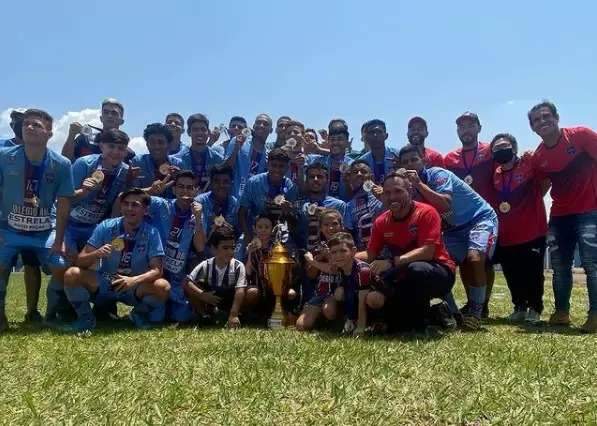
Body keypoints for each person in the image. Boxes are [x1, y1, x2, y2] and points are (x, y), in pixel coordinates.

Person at [398, 144, 497, 329]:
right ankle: (454, 313)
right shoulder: (407, 188)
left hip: (478, 218)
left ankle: (476, 314)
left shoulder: (438, 174)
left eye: (414, 159)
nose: (410, 164)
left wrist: (418, 183)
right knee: (437, 266)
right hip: (452, 229)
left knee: (475, 259)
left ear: (424, 160)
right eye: (405, 162)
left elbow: (445, 205)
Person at [46, 129, 134, 323]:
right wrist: (85, 191)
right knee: (61, 264)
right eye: (111, 146)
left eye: (121, 148)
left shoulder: (125, 170)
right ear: (101, 146)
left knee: (100, 266)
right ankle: (54, 313)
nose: (115, 152)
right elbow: (64, 198)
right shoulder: (83, 163)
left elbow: (119, 200)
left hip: (94, 226)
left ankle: (102, 311)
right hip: (69, 223)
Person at [0, 109, 75, 332]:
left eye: (36, 125)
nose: (30, 127)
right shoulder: (4, 157)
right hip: (8, 229)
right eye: (27, 124)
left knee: (61, 267)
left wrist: (59, 240)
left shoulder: (61, 164)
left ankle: (50, 315)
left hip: (43, 230)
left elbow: (63, 206)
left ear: (49, 133)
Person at [357, 171, 456, 332]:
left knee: (416, 269)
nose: (392, 197)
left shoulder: (427, 212)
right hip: (401, 273)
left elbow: (427, 252)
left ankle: (422, 321)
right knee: (379, 306)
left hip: (438, 271)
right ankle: (437, 313)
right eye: (387, 193)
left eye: (398, 191)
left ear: (409, 191)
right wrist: (344, 256)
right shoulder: (381, 221)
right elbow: (371, 254)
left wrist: (390, 262)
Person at [529, 100, 597, 333]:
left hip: (590, 211)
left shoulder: (581, 136)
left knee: (591, 264)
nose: (542, 122)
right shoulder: (538, 157)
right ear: (533, 128)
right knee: (559, 267)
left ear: (557, 118)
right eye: (537, 120)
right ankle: (561, 313)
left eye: (546, 116)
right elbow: (541, 188)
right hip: (559, 215)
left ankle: (595, 315)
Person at [62, 189, 169, 332]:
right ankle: (86, 318)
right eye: (126, 204)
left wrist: (133, 280)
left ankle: (138, 314)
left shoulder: (152, 233)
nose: (129, 208)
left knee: (163, 287)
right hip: (105, 281)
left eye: (135, 205)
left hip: (133, 286)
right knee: (72, 274)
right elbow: (80, 261)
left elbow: (157, 270)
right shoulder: (106, 226)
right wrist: (97, 253)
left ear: (145, 209)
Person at [490, 134, 548, 323]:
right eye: (496, 148)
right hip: (507, 233)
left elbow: (545, 182)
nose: (501, 150)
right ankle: (519, 307)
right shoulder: (496, 173)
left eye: (504, 146)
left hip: (533, 230)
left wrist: (534, 201)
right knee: (512, 273)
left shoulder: (528, 163)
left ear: (514, 148)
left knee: (533, 272)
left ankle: (535, 308)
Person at [443, 112, 496, 314]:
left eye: (470, 125)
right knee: (466, 261)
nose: (466, 130)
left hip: (484, 215)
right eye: (462, 127)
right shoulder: (449, 159)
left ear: (479, 128)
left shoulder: (490, 151)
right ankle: (472, 303)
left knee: (484, 261)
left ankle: (483, 305)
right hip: (460, 218)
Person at [0, 109, 43, 322]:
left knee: (32, 264)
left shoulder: (40, 150)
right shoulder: (2, 148)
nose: (27, 127)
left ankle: (32, 311)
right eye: (20, 122)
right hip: (4, 219)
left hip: (31, 218)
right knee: (3, 264)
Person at [146, 171, 207, 323]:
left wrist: (198, 219)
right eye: (181, 187)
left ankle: (168, 305)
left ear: (196, 190)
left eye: (190, 187)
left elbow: (200, 247)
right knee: (156, 318)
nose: (185, 191)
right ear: (173, 189)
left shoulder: (198, 214)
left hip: (176, 275)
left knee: (182, 317)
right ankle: (145, 308)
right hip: (155, 270)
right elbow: (125, 197)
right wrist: (150, 191)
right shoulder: (161, 205)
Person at [184, 226, 247, 328]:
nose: (230, 252)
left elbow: (240, 290)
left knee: (250, 293)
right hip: (211, 299)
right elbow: (187, 282)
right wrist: (202, 295)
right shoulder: (206, 264)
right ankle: (204, 316)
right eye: (225, 248)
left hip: (230, 299)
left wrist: (233, 314)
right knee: (192, 288)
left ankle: (236, 316)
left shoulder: (238, 266)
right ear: (213, 249)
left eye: (233, 248)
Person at [298, 210, 346, 331]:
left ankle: (342, 320)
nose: (330, 228)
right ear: (320, 228)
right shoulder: (318, 247)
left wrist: (321, 259)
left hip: (339, 293)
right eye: (326, 225)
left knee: (329, 310)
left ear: (341, 226)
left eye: (335, 224)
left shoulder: (346, 246)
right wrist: (318, 259)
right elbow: (311, 275)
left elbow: (336, 269)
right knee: (301, 325)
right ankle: (320, 320)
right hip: (321, 292)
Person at [238, 148, 299, 243]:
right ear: (267, 164)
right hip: (256, 231)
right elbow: (242, 212)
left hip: (280, 233)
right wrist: (247, 234)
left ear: (287, 168)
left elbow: (293, 223)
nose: (277, 170)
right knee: (240, 251)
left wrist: (288, 212)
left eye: (281, 166)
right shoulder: (253, 182)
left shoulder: (291, 187)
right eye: (273, 165)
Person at [62, 98, 135, 163]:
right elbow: (65, 161)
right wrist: (71, 135)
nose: (109, 116)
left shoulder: (128, 153)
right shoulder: (85, 140)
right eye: (106, 112)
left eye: (114, 113)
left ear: (121, 121)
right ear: (101, 118)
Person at [297, 163, 346, 250]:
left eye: (320, 177)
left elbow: (345, 234)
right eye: (312, 177)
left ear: (327, 180)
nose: (316, 180)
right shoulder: (299, 206)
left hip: (332, 254)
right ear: (306, 180)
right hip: (302, 254)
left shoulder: (339, 205)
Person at [195, 164, 240, 257]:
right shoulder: (200, 202)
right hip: (200, 252)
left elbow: (236, 233)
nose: (221, 185)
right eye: (217, 181)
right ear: (210, 183)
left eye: (225, 181)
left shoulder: (235, 204)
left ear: (231, 183)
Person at [224, 113, 273, 198]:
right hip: (233, 199)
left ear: (271, 130)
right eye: (258, 122)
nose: (261, 125)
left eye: (265, 124)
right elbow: (226, 168)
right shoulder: (237, 140)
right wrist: (236, 149)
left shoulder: (268, 154)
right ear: (253, 126)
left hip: (253, 202)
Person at [130, 123, 183, 199]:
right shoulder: (138, 162)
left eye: (161, 142)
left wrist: (179, 180)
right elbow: (129, 192)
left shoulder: (178, 164)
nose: (156, 146)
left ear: (169, 144)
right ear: (147, 145)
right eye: (152, 142)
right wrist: (150, 191)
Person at [175, 113, 224, 193]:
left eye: (203, 129)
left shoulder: (218, 160)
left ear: (208, 132)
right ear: (189, 132)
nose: (199, 133)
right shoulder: (177, 159)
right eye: (195, 129)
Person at [307, 121, 353, 201]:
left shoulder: (352, 165)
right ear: (328, 141)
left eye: (340, 139)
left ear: (347, 142)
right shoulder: (315, 161)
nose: (335, 142)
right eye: (332, 139)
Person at [344, 161, 384, 251]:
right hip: (363, 253)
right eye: (355, 172)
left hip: (386, 249)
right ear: (349, 178)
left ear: (371, 177)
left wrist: (384, 198)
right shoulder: (348, 206)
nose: (359, 174)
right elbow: (348, 235)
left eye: (364, 171)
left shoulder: (384, 194)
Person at [358, 119, 397, 184]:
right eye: (371, 132)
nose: (375, 135)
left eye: (379, 132)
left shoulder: (397, 155)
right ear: (366, 137)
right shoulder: (362, 162)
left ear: (386, 136)